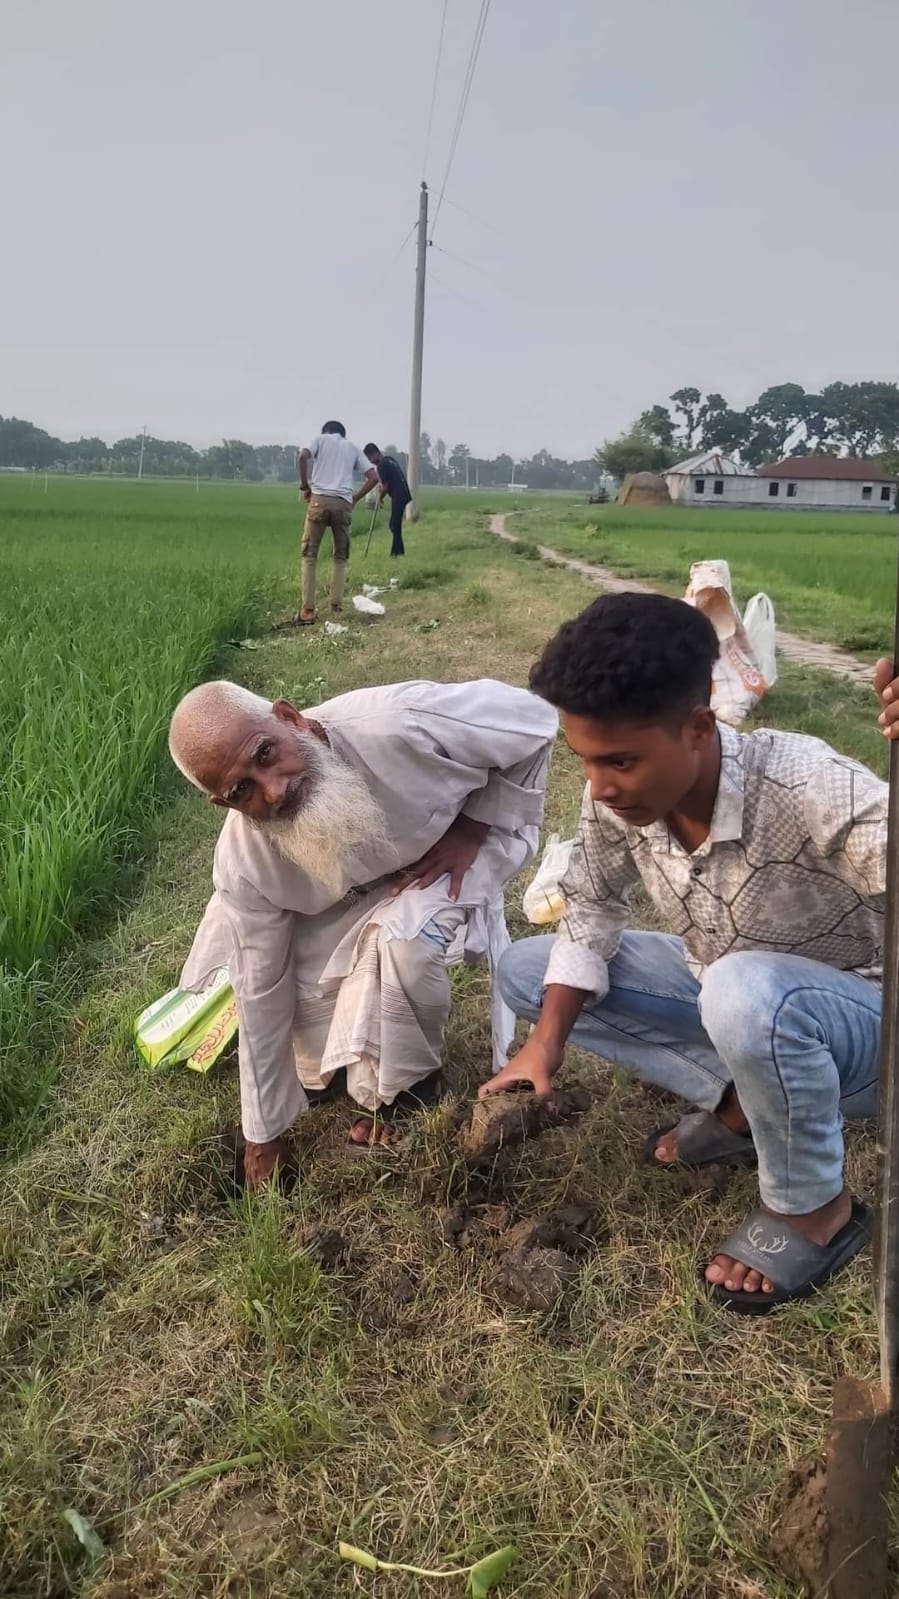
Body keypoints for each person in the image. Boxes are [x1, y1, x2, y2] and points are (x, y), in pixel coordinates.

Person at [484, 591, 899, 1315]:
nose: (599, 786)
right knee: (527, 969)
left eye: (619, 760)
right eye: (583, 761)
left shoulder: (806, 783)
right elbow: (591, 905)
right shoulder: (614, 799)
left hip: (862, 1032)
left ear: (698, 727)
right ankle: (743, 1107)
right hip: (736, 994)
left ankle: (814, 1210)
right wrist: (544, 1047)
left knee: (745, 992)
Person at [168, 676, 558, 1189]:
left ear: (290, 718)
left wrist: (476, 825)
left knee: (402, 944)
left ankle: (411, 1088)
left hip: (454, 849)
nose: (275, 790)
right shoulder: (244, 862)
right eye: (243, 791)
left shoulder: (404, 722)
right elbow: (259, 986)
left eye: (266, 754)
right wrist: (262, 1133)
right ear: (226, 805)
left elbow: (536, 720)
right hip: (358, 891)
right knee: (300, 984)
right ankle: (333, 1071)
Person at [297, 421, 378, 625]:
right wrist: (355, 498)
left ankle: (308, 611)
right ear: (343, 434)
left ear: (325, 432)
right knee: (340, 556)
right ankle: (336, 607)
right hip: (343, 504)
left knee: (309, 554)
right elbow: (373, 476)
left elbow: (302, 456)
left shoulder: (319, 440)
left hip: (318, 500)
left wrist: (305, 485)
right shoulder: (352, 447)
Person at [363, 444, 412, 557]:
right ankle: (398, 551)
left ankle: (396, 553)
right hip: (403, 493)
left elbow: (386, 487)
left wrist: (380, 498)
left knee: (394, 525)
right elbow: (387, 482)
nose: (371, 461)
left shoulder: (382, 465)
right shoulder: (389, 460)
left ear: (375, 453)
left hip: (398, 495)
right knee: (394, 525)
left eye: (370, 458)